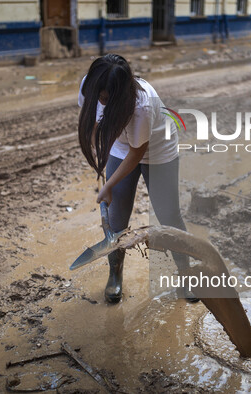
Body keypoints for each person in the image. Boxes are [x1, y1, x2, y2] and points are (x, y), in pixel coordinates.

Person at [77, 53, 198, 304]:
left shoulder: (141, 104)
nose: (102, 102)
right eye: (100, 98)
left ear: (121, 94)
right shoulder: (90, 85)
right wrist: (101, 159)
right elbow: (90, 121)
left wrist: (108, 185)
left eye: (108, 99)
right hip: (121, 147)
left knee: (169, 215)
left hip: (158, 149)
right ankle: (115, 274)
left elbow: (137, 153)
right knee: (116, 217)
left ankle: (186, 275)